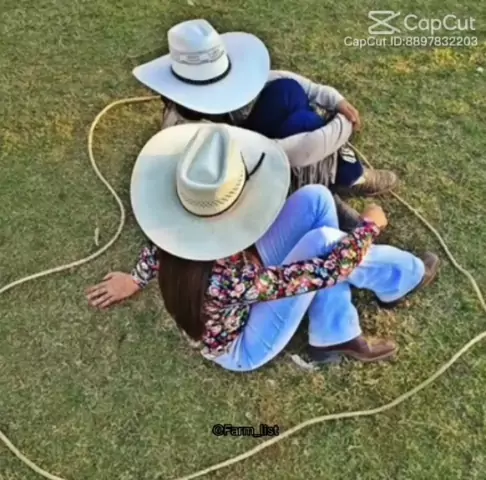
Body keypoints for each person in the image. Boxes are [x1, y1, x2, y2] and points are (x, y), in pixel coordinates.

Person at [86, 19, 401, 308]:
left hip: (239, 173)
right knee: (305, 135)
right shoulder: (238, 279)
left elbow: (281, 82)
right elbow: (318, 274)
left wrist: (332, 99)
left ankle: (344, 182)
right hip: (236, 182)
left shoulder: (233, 280)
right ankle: (337, 193)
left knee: (288, 95)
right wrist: (366, 230)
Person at [88, 123, 439, 370]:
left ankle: (333, 331)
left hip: (239, 274)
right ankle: (406, 276)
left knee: (316, 199)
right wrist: (368, 228)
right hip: (242, 345)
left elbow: (156, 251)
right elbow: (328, 270)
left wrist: (134, 280)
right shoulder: (230, 279)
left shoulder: (175, 231)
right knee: (323, 246)